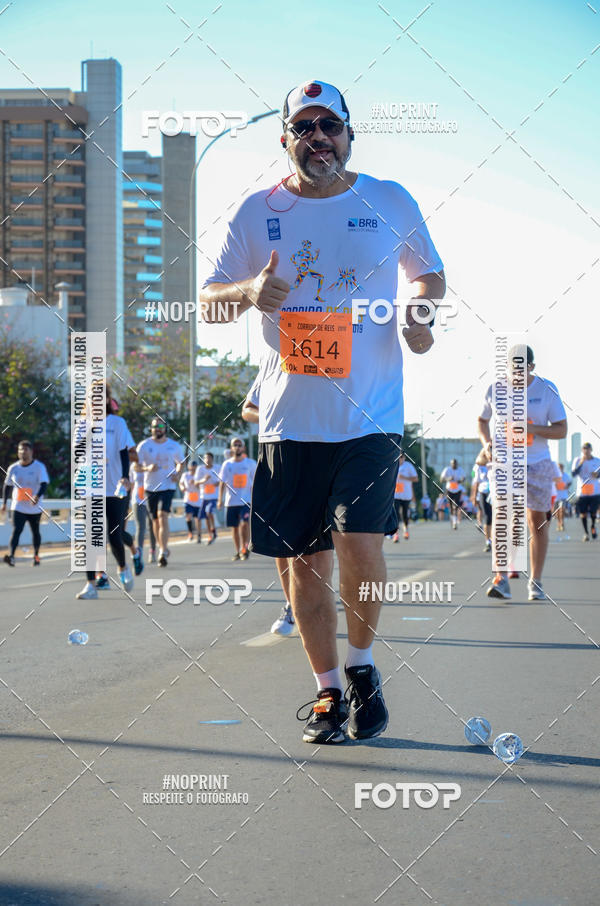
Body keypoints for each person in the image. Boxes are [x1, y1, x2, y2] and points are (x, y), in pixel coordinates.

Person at [200, 79, 445, 743]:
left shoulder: (388, 199)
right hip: (289, 417)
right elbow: (208, 302)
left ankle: (363, 666)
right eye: (303, 127)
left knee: (359, 543)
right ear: (285, 140)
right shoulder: (257, 212)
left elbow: (427, 273)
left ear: (348, 134)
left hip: (370, 415)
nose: (317, 139)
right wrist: (250, 290)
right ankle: (329, 692)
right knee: (304, 567)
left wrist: (419, 310)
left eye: (328, 126)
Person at [479, 345, 567, 601]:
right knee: (502, 516)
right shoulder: (495, 389)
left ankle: (536, 582)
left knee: (536, 522)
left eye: (522, 368)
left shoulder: (546, 389)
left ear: (531, 366)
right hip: (505, 462)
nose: (517, 374)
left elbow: (561, 430)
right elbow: (481, 420)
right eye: (513, 369)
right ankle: (501, 578)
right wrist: (486, 443)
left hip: (537, 463)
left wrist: (532, 430)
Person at [242, 376, 295, 636]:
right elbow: (247, 409)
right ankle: (291, 604)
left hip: (323, 458)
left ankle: (315, 599)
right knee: (281, 540)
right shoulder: (273, 366)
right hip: (280, 459)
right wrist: (273, 413)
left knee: (320, 544)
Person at [75, 383, 135, 599]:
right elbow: (78, 451)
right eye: (92, 397)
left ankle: (122, 567)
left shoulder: (118, 423)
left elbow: (124, 452)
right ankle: (91, 585)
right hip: (90, 482)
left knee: (114, 534)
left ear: (107, 400)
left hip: (114, 484)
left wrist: (126, 476)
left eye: (100, 397)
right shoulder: (82, 424)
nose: (95, 401)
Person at [136, 418, 185, 567]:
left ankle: (163, 551)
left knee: (162, 515)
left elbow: (181, 463)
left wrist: (178, 474)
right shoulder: (144, 446)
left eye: (161, 426)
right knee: (155, 520)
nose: (158, 429)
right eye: (155, 426)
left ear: (165, 429)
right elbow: (136, 467)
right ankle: (161, 547)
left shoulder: (173, 446)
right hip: (151, 487)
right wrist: (146, 469)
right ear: (151, 429)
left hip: (168, 486)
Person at [2, 440, 49, 566]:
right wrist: (5, 503)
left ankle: (36, 555)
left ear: (31, 452)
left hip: (35, 507)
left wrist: (37, 496)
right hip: (18, 506)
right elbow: (7, 486)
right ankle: (11, 556)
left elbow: (44, 484)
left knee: (35, 531)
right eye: (20, 450)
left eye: (25, 450)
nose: (22, 452)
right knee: (17, 530)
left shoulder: (39, 467)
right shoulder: (13, 468)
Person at [218, 438, 256, 561]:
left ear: (243, 448)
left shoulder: (250, 463)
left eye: (240, 445)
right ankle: (238, 550)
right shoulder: (227, 464)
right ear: (231, 448)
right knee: (234, 528)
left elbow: (255, 482)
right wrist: (220, 499)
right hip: (231, 501)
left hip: (246, 501)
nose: (237, 447)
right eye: (235, 445)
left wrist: (256, 499)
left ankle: (245, 548)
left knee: (244, 524)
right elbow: (222, 482)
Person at [131, 457, 157, 562]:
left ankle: (153, 552)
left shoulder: (153, 464)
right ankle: (139, 554)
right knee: (140, 527)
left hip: (150, 498)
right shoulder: (133, 466)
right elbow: (132, 483)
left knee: (152, 526)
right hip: (137, 500)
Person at [572, 443, 600, 541]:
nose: (586, 451)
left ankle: (592, 526)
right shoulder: (578, 460)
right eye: (584, 449)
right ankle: (586, 533)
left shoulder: (597, 461)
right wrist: (581, 463)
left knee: (593, 512)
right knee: (583, 513)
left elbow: (599, 474)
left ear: (591, 450)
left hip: (595, 491)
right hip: (582, 491)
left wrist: (597, 474)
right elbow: (573, 474)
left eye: (587, 449)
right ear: (582, 450)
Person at [194, 453, 220, 545]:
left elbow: (222, 480)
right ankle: (211, 534)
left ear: (212, 459)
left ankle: (213, 529)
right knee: (205, 516)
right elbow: (196, 483)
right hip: (203, 497)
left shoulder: (217, 468)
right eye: (206, 458)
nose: (207, 460)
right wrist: (204, 480)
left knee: (209, 511)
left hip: (214, 496)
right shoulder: (200, 469)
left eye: (209, 458)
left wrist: (218, 483)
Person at [392, 452, 418, 541]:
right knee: (396, 514)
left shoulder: (409, 466)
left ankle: (406, 530)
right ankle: (396, 534)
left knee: (405, 514)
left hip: (406, 494)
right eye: (398, 457)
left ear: (404, 457)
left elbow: (416, 479)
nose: (400, 459)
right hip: (395, 494)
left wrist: (404, 477)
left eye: (402, 457)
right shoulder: (392, 464)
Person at [471, 449, 492, 552]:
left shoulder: (499, 462)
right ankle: (488, 542)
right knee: (487, 517)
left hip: (497, 491)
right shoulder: (478, 467)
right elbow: (476, 482)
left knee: (497, 517)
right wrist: (474, 497)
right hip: (484, 492)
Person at [440, 459, 465, 529]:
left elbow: (464, 478)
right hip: (449, 490)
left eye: (455, 464)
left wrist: (461, 480)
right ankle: (453, 519)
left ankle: (455, 522)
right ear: (450, 464)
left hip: (458, 489)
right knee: (451, 506)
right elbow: (441, 479)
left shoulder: (460, 469)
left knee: (456, 506)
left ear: (457, 464)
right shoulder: (447, 469)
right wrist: (448, 479)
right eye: (452, 464)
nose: (454, 465)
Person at [180, 461, 201, 541]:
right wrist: (182, 487)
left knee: (197, 518)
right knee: (188, 516)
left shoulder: (199, 476)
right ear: (189, 468)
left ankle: (199, 534)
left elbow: (202, 488)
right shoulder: (185, 475)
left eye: (194, 469)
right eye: (191, 469)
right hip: (188, 499)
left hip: (198, 500)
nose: (193, 470)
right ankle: (190, 533)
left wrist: (196, 484)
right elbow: (181, 483)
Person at [553, 462, 571, 534]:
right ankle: (559, 523)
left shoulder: (566, 476)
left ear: (563, 468)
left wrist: (567, 486)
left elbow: (570, 482)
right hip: (556, 497)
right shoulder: (554, 476)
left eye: (561, 467)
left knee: (562, 510)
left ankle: (562, 523)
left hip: (563, 496)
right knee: (556, 512)